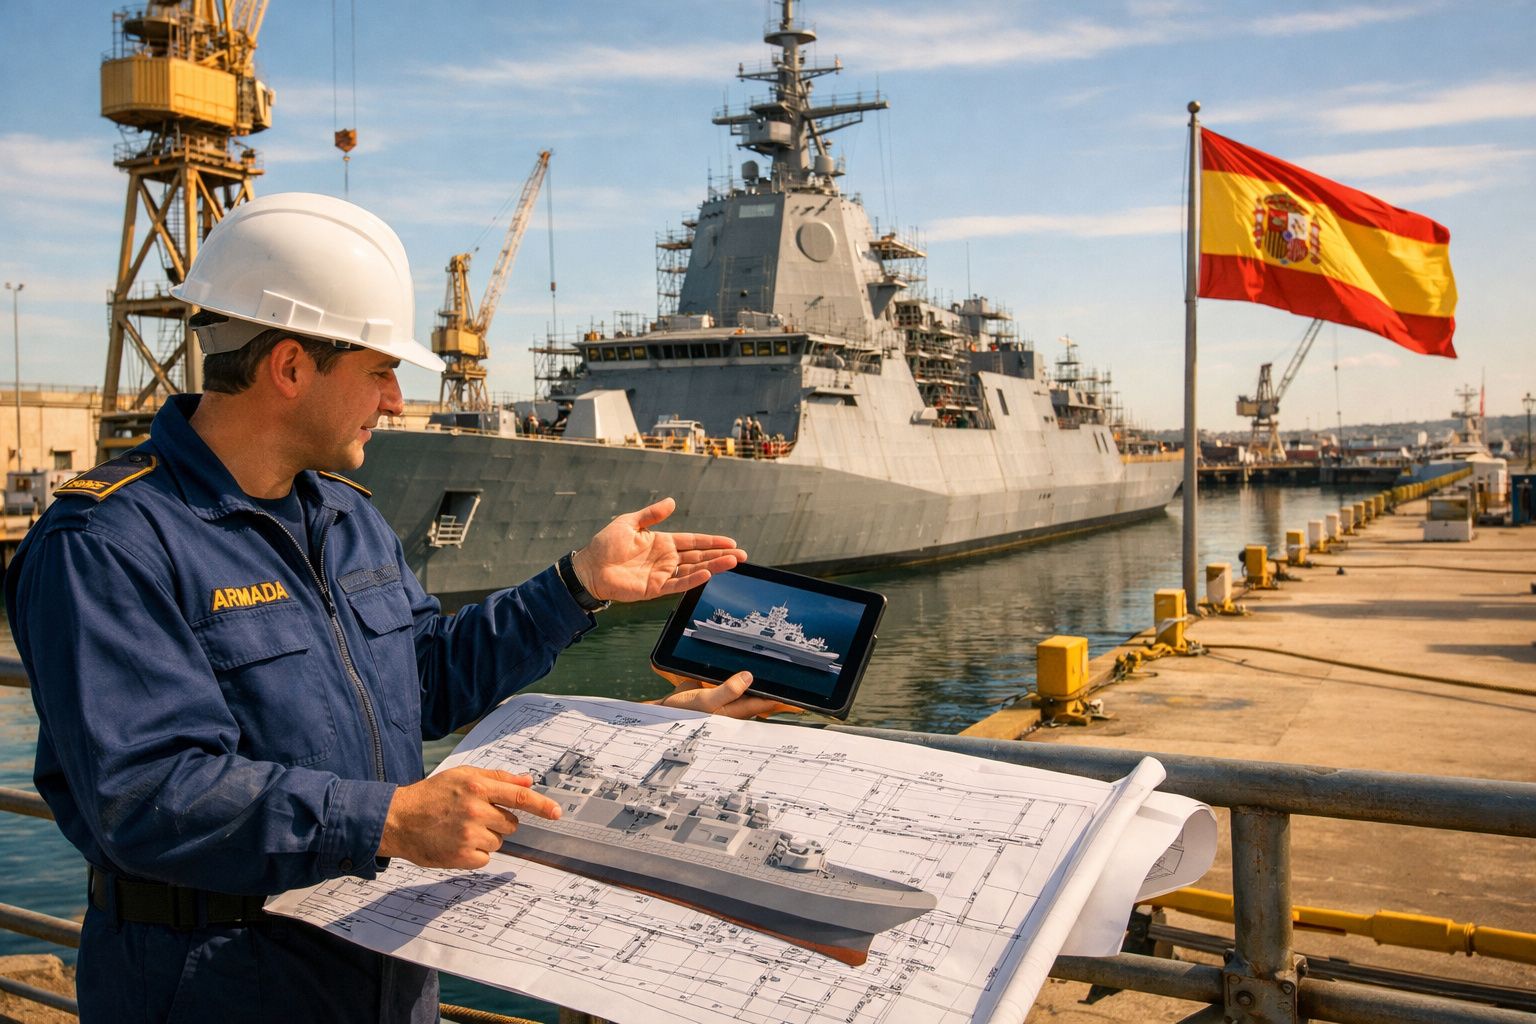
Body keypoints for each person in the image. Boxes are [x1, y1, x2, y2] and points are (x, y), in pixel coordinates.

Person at [4, 193, 779, 1024]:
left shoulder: (345, 517)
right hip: (216, 986)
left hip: (381, 967)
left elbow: (426, 678)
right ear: (292, 367)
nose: (393, 399)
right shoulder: (106, 541)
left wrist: (576, 585)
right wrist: (393, 817)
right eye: (378, 369)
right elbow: (149, 793)